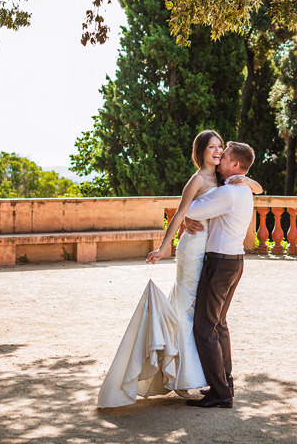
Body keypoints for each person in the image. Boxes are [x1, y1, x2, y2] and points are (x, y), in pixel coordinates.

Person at [96, 131, 261, 408]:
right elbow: (181, 212)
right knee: (202, 316)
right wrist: (165, 245)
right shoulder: (202, 180)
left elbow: (246, 188)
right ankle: (209, 381)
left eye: (221, 147)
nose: (218, 151)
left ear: (232, 164)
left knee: (206, 322)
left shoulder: (229, 183)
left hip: (216, 256)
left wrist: (247, 180)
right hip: (200, 250)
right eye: (213, 147)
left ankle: (211, 385)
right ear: (201, 151)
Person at [180, 141, 257, 409]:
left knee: (204, 327)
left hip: (220, 263)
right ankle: (226, 384)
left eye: (223, 157)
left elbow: (188, 209)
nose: (218, 158)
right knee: (219, 324)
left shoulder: (228, 193)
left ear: (235, 165)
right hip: (235, 261)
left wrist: (188, 213)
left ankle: (220, 392)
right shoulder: (244, 189)